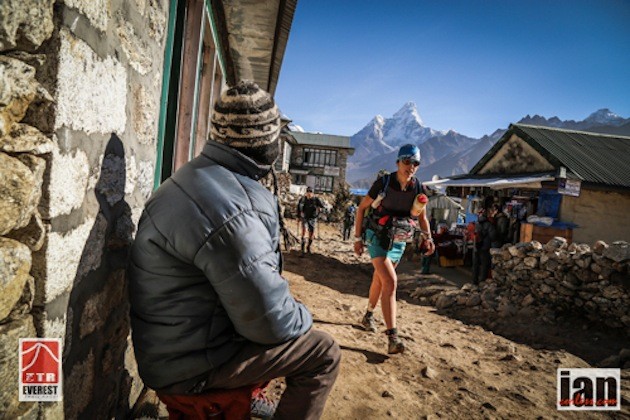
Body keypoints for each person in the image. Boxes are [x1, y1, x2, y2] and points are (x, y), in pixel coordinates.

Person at [128, 81, 340, 419]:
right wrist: (303, 313)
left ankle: (247, 399)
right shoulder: (232, 210)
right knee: (322, 352)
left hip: (171, 350)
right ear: (266, 143)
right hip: (192, 367)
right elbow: (270, 324)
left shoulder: (190, 178)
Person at [353, 144, 435, 354]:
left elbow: (423, 218)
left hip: (398, 240)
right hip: (377, 238)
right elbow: (361, 208)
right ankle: (393, 338)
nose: (411, 167)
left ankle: (368, 315)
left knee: (380, 280)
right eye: (407, 162)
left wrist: (429, 238)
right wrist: (357, 238)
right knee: (390, 281)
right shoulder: (384, 183)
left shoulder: (418, 188)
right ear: (398, 162)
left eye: (415, 163)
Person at [472, 206, 498, 284]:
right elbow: (493, 236)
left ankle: (474, 281)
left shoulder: (476, 223)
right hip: (485, 247)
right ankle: (482, 281)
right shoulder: (489, 224)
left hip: (476, 246)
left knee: (475, 265)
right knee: (484, 265)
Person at [297, 187, 325, 254]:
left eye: (310, 192)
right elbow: (298, 208)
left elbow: (322, 206)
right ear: (306, 192)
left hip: (313, 218)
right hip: (305, 217)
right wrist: (298, 217)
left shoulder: (316, 199)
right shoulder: (303, 199)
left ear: (313, 193)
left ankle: (308, 247)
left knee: (311, 233)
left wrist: (320, 210)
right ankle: (302, 249)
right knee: (304, 231)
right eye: (308, 192)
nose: (309, 194)